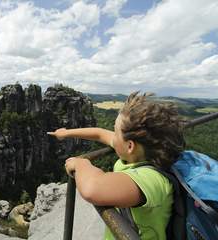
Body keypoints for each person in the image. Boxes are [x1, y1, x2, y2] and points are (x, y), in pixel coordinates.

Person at [47, 92, 185, 240]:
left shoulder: (154, 179)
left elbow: (92, 189)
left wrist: (81, 163)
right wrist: (65, 133)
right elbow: (99, 133)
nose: (112, 136)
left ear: (130, 146)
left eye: (116, 132)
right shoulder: (138, 153)